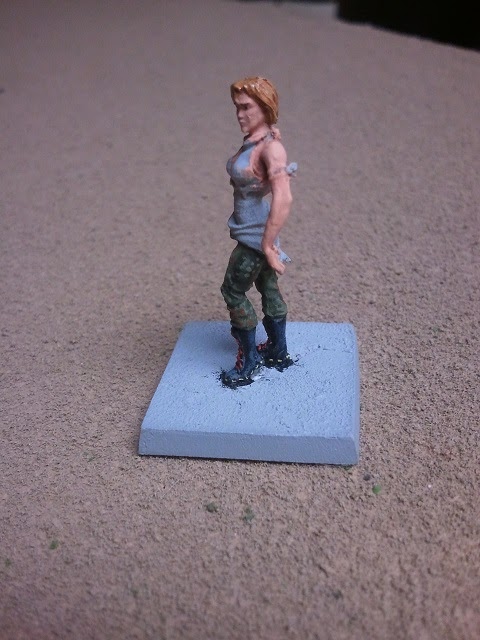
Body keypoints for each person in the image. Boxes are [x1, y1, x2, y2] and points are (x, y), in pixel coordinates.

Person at [221, 76, 297, 387]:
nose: (240, 114)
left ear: (265, 107)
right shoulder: (257, 140)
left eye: (246, 107)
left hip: (254, 239)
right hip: (256, 232)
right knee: (268, 286)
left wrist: (266, 244)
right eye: (237, 107)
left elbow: (283, 197)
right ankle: (277, 349)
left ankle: (249, 361)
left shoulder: (271, 149)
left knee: (233, 291)